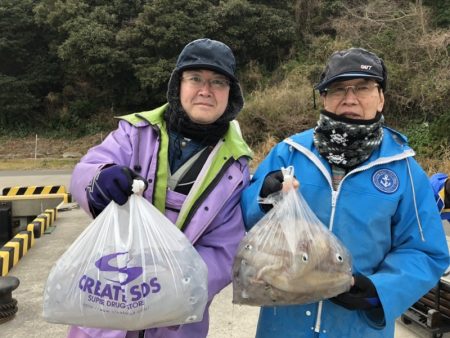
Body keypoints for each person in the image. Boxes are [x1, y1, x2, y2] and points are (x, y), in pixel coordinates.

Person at [240, 47, 449, 338]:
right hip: (283, 324)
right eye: (338, 89)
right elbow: (246, 219)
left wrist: (380, 291)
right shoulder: (289, 152)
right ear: (323, 98)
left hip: (358, 328)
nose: (349, 98)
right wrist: (262, 198)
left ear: (381, 98)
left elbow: (426, 251)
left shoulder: (405, 171)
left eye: (362, 88)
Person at [68, 38, 252, 338]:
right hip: (108, 299)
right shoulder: (135, 132)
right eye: (195, 79)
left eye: (218, 82)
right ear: (178, 85)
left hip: (175, 319)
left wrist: (166, 288)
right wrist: (99, 179)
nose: (206, 90)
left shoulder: (236, 166)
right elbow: (86, 169)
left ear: (230, 94)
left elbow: (224, 248)